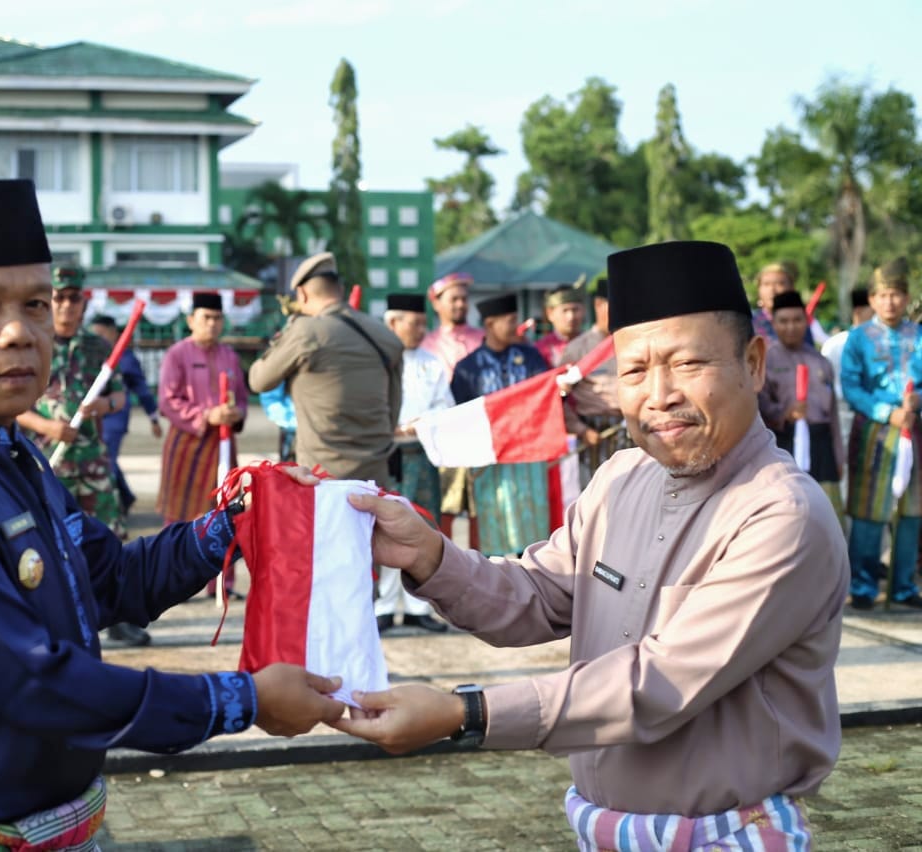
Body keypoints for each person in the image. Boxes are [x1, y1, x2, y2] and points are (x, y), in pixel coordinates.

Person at [0, 179, 344, 849]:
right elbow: (28, 679)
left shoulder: (7, 448)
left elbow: (109, 581)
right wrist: (240, 700)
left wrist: (233, 523)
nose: (19, 332)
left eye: (36, 304)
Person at [333, 240, 848, 849]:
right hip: (599, 827)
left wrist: (465, 713)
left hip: (728, 834)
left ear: (754, 364)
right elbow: (537, 595)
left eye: (688, 363)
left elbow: (657, 682)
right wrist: (429, 555)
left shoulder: (782, 514)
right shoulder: (621, 477)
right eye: (634, 371)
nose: (659, 394)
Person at [17, 266, 151, 647]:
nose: (66, 305)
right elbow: (13, 406)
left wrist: (105, 406)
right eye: (58, 297)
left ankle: (117, 619)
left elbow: (121, 395)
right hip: (47, 462)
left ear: (83, 302)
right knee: (44, 542)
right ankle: (47, 623)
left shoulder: (97, 347)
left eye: (73, 297)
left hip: (93, 462)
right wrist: (48, 427)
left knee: (109, 541)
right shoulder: (31, 341)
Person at [249, 252, 403, 486]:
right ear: (340, 289)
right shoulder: (384, 335)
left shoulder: (306, 332)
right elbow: (394, 404)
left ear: (301, 294)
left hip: (322, 478)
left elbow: (258, 380)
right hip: (376, 477)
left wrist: (284, 336)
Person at [840, 257, 922, 610]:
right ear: (872, 299)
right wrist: (887, 412)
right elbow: (851, 386)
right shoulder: (857, 338)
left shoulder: (919, 335)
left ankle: (903, 586)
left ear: (907, 298)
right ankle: (863, 585)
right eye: (883, 295)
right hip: (873, 432)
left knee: (913, 509)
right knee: (868, 510)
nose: (890, 302)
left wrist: (917, 402)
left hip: (915, 428)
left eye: (896, 294)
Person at [155, 291, 249, 598]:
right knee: (179, 512)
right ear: (191, 320)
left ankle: (222, 584)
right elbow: (168, 401)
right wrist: (206, 415)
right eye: (206, 317)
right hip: (187, 444)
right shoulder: (177, 354)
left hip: (223, 445)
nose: (212, 324)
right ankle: (170, 581)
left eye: (217, 318)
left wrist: (236, 414)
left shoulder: (229, 357)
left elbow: (242, 400)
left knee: (225, 511)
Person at [451, 294, 550, 557]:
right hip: (489, 460)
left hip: (528, 457)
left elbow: (544, 396)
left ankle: (533, 573)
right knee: (492, 522)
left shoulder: (531, 358)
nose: (515, 326)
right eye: (510, 320)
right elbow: (461, 416)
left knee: (531, 526)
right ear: (490, 324)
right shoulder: (467, 369)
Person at [376, 293, 452, 633]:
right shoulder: (377, 360)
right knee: (384, 528)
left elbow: (445, 406)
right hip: (385, 455)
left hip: (421, 453)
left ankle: (418, 606)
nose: (422, 330)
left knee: (423, 526)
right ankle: (383, 605)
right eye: (415, 323)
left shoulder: (431, 363)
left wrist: (417, 426)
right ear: (393, 323)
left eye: (424, 324)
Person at [759, 290, 844, 511]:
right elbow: (760, 405)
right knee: (789, 512)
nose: (791, 327)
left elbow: (833, 415)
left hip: (822, 448)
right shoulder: (764, 362)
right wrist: (783, 413)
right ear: (774, 323)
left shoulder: (821, 361)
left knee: (827, 514)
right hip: (782, 445)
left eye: (797, 320)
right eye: (784, 321)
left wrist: (838, 456)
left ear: (806, 322)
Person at [420, 272, 484, 543]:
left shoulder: (483, 339)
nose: (460, 304)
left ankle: (481, 560)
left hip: (480, 432)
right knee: (446, 505)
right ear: (436, 303)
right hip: (444, 435)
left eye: (464, 299)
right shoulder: (427, 344)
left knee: (481, 505)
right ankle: (446, 557)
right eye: (453, 299)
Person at [88, 313, 162, 515]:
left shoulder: (126, 358)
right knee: (101, 457)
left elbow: (142, 389)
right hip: (91, 416)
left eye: (101, 334)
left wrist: (153, 418)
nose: (97, 339)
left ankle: (110, 508)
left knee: (107, 460)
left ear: (114, 334)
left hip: (115, 417)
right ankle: (126, 496)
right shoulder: (87, 354)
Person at [561, 277, 631, 485]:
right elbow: (559, 398)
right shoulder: (578, 349)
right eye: (616, 303)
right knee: (598, 495)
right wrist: (581, 430)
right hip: (594, 434)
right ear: (599, 304)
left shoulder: (632, 342)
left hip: (631, 432)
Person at [821, 287, 872, 445]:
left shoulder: (884, 343)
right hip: (843, 420)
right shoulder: (835, 344)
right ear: (858, 311)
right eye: (874, 312)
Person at [534, 284, 586, 367]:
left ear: (583, 310)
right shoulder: (541, 348)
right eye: (565, 310)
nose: (571, 317)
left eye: (575, 310)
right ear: (550, 314)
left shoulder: (594, 344)